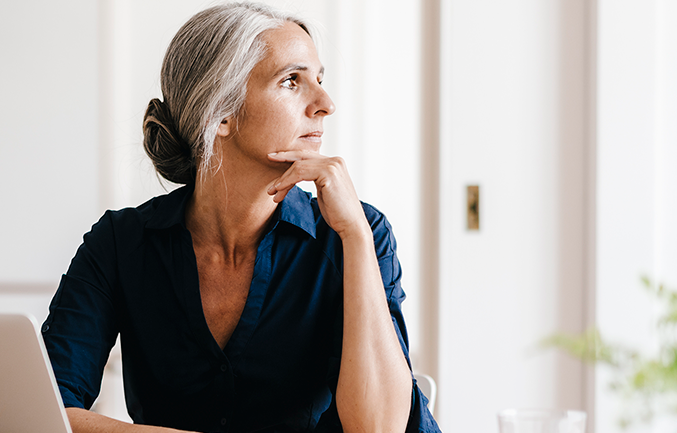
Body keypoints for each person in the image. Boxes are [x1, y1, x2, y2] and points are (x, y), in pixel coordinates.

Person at [41, 3, 440, 432]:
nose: (325, 104)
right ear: (221, 112)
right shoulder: (120, 245)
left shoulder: (358, 234)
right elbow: (44, 412)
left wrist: (356, 237)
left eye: (319, 80)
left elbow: (378, 428)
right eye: (292, 81)